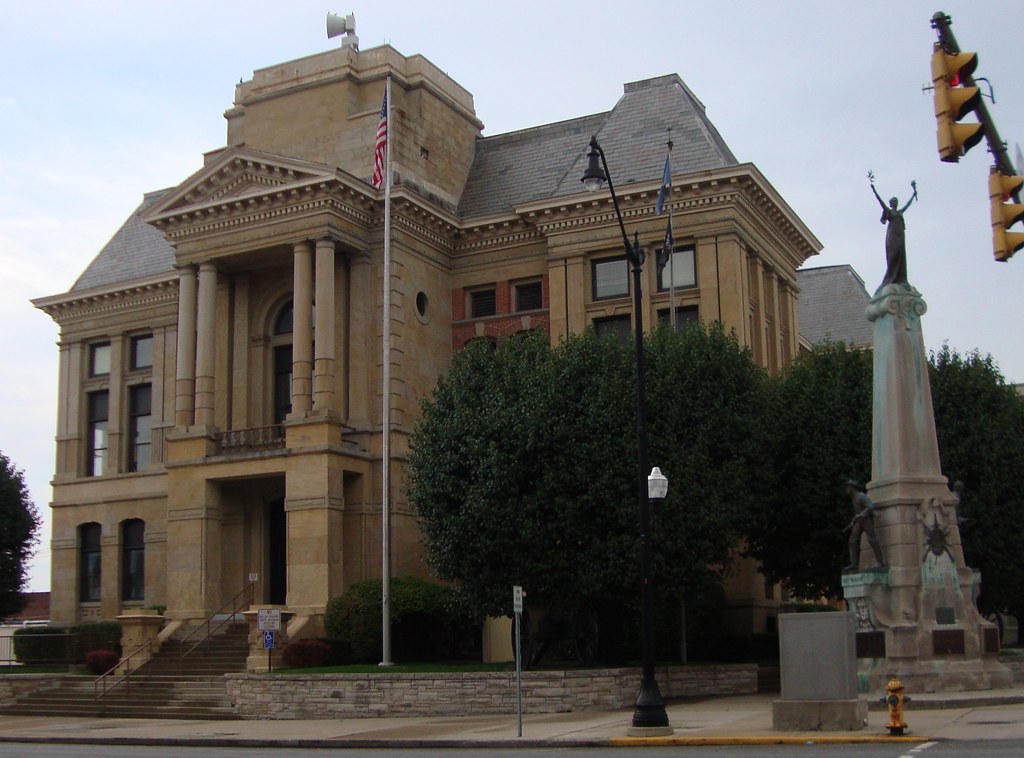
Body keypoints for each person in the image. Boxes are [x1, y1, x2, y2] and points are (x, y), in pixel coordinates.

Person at [869, 171, 918, 286]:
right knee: (893, 257)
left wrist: (913, 194)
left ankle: (901, 279)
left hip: (900, 237)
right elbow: (880, 201)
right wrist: (874, 190)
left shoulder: (900, 212)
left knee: (901, 256)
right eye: (894, 202)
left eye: (896, 201)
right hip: (892, 237)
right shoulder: (889, 212)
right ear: (891, 204)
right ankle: (890, 278)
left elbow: (908, 204)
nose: (896, 203)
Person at [844, 480, 886, 572]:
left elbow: (870, 506)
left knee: (872, 540)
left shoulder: (861, 496)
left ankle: (880, 562)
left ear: (852, 488)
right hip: (859, 521)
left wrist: (862, 514)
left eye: (848, 487)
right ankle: (854, 564)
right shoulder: (853, 497)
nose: (846, 489)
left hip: (866, 520)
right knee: (852, 541)